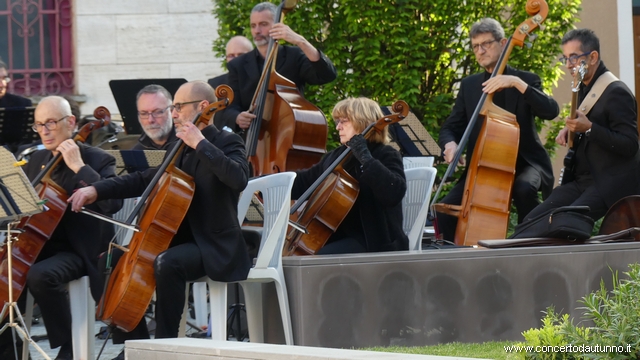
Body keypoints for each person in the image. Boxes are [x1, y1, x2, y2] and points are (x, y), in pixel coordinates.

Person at [68, 80, 252, 359]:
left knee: (168, 263)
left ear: (203, 107)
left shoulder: (227, 141)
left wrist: (200, 143)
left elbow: (238, 178)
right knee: (114, 257)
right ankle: (135, 344)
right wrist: (96, 189)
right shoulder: (178, 146)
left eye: (178, 107)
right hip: (179, 239)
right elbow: (145, 179)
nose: (174, 113)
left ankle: (164, 348)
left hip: (214, 244)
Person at [0, 95, 122, 360]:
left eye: (51, 123)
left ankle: (69, 346)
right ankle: (10, 350)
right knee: (8, 274)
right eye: (39, 124)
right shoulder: (36, 159)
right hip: (39, 245)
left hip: (81, 250)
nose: (44, 130)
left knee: (40, 276)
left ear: (71, 122)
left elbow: (112, 203)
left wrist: (79, 166)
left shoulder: (98, 159)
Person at [436, 18, 559, 242]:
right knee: (444, 210)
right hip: (483, 168)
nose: (480, 51)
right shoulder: (470, 86)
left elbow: (551, 111)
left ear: (503, 42)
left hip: (525, 163)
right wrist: (450, 144)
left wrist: (517, 84)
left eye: (486, 44)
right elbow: (450, 127)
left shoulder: (525, 80)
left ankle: (530, 244)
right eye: (475, 46)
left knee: (524, 188)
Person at [518, 29, 640, 226]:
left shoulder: (617, 92)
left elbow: (630, 144)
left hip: (608, 182)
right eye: (565, 58)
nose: (568, 65)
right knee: (531, 220)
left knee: (564, 222)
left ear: (593, 57)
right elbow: (586, 123)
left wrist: (589, 128)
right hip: (581, 181)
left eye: (573, 58)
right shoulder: (583, 86)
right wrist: (572, 130)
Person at [291, 97, 408, 254]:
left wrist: (365, 157)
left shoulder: (385, 154)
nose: (338, 127)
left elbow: (394, 192)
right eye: (337, 121)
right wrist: (267, 182)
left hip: (374, 241)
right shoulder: (337, 156)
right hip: (338, 237)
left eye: (343, 121)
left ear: (362, 122)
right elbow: (304, 181)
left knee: (315, 259)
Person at [218, 2, 337, 133]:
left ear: (277, 25)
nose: (257, 30)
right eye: (253, 26)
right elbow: (229, 108)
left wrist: (300, 41)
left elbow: (326, 75)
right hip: (253, 139)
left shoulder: (294, 56)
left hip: (289, 134)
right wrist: (237, 117)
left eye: (263, 24)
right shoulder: (238, 65)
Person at [207, 36, 254, 130]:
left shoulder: (259, 80)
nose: (235, 60)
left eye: (241, 55)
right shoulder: (214, 83)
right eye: (231, 56)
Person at [133, 84, 179, 151]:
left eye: (158, 112)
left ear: (172, 111)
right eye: (144, 113)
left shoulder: (189, 147)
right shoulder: (135, 153)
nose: (150, 120)